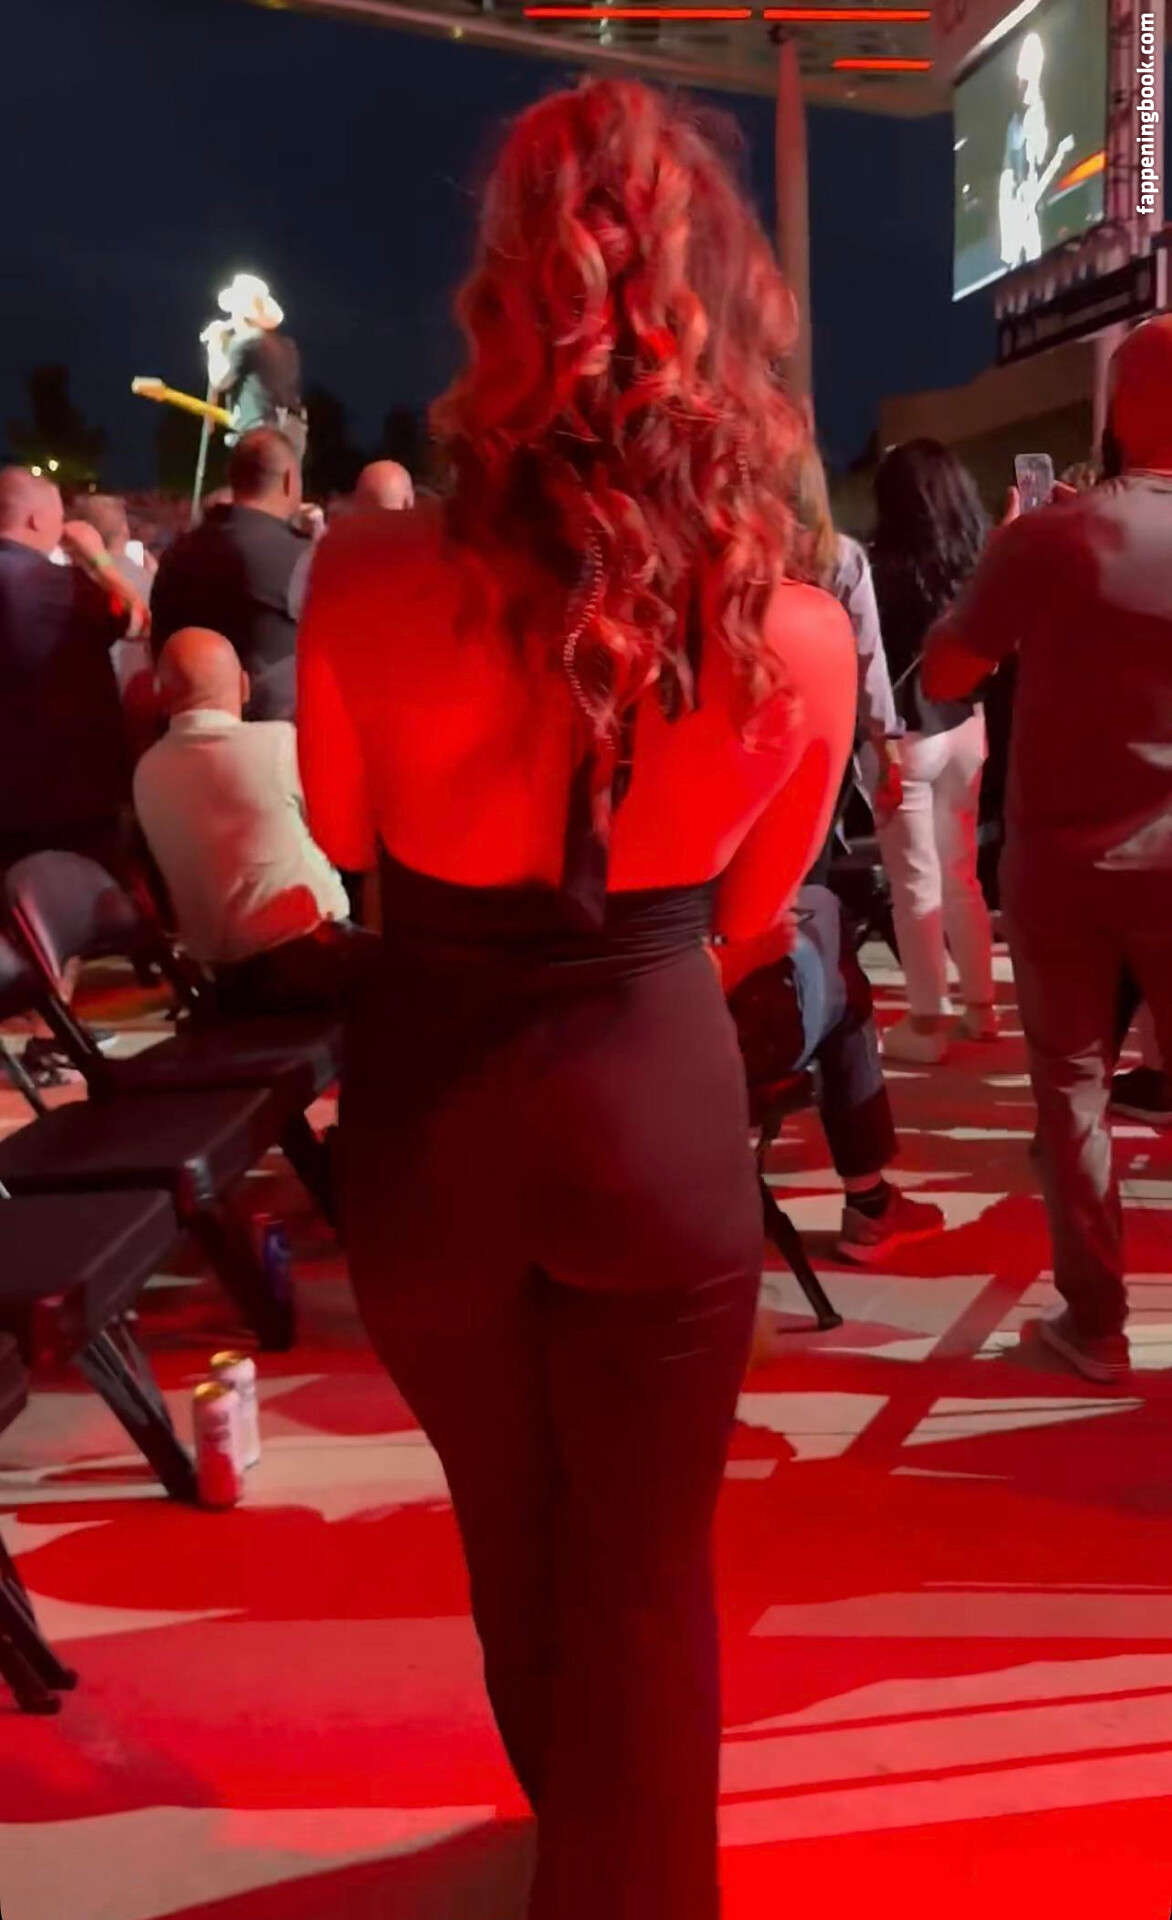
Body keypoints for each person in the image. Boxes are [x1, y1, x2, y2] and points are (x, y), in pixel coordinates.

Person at [297, 79, 855, 1920]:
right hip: (649, 1096)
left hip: (434, 1103)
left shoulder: (362, 575)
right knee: (645, 1566)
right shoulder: (795, 633)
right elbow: (753, 921)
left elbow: (345, 837)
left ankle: (578, 1838)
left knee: (513, 1527)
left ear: (500, 302)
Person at [922, 314, 1172, 1384]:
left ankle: (1095, 1325)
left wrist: (1009, 554)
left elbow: (945, 674)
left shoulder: (1052, 536)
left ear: (1117, 412)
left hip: (1062, 866)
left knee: (1070, 1090)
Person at [133, 628, 365, 1015]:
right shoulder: (278, 744)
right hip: (314, 965)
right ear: (243, 686)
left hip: (223, 988)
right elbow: (351, 837)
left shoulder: (146, 773)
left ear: (163, 696)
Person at [722, 885, 945, 1262]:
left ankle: (870, 1203)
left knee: (818, 922)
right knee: (823, 917)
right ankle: (868, 1201)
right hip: (700, 1043)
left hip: (629, 1048)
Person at [869, 440, 998, 1063]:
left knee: (914, 882)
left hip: (904, 736)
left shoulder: (879, 567)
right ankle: (981, 1006)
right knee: (961, 872)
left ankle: (926, 1024)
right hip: (966, 726)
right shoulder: (976, 559)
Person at [0, 468, 143, 875]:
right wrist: (97, 558)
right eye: (60, 516)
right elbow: (136, 619)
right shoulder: (63, 586)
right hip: (64, 802)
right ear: (35, 520)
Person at [789, 443, 903, 878]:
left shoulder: (743, 555)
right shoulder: (841, 556)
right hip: (825, 733)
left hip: (755, 727)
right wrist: (885, 746)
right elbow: (868, 658)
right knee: (811, 860)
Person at [150, 429, 310, 722]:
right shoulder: (299, 557)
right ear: (289, 480)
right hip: (269, 735)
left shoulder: (178, 552)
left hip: (180, 727)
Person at [202, 271, 307, 459]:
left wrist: (215, 346)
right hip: (294, 435)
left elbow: (219, 380)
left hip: (261, 435)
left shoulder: (245, 342)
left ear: (240, 314)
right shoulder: (288, 346)